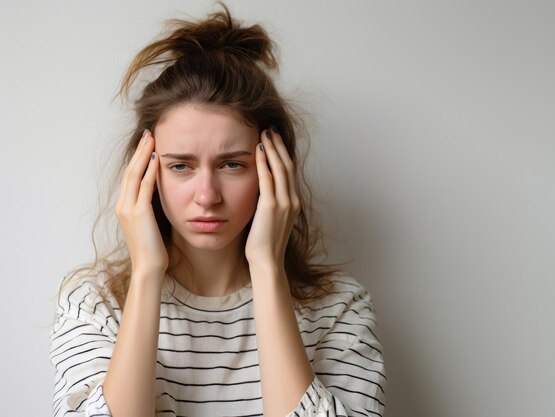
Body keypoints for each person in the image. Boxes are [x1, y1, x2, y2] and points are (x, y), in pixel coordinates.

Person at [50, 4, 385, 417]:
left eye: (232, 164)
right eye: (180, 166)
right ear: (145, 175)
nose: (207, 195)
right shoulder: (93, 301)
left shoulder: (338, 307)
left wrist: (266, 268)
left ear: (272, 169)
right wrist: (147, 274)